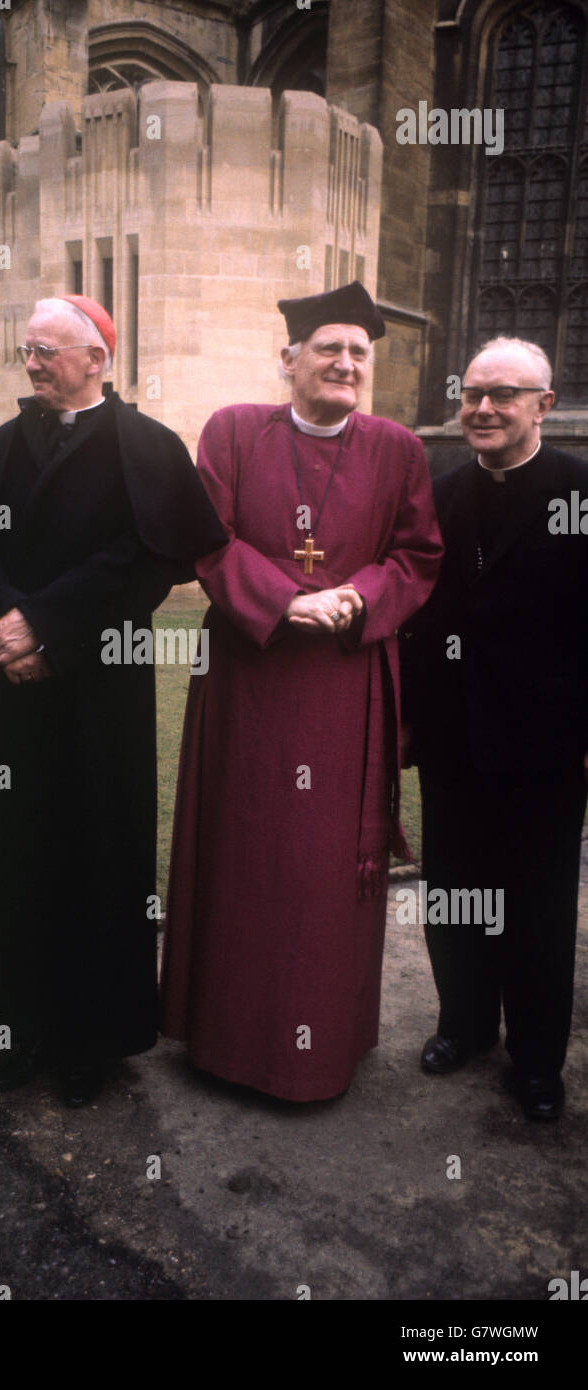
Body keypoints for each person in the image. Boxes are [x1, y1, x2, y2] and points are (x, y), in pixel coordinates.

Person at [0, 295, 225, 1107]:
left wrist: (47, 626)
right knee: (16, 851)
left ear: (97, 358)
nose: (32, 364)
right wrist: (6, 635)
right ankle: (21, 1030)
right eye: (27, 350)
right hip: (12, 693)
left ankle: (92, 1039)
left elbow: (152, 560)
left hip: (101, 688)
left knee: (97, 854)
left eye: (48, 351)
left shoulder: (148, 448)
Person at [160, 282, 443, 1102]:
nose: (347, 363)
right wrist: (287, 598)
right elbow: (203, 539)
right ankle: (227, 1045)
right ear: (289, 360)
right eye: (329, 348)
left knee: (324, 870)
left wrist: (356, 597)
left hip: (344, 681)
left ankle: (317, 1053)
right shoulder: (234, 431)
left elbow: (419, 556)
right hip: (251, 679)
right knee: (245, 852)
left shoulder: (400, 450)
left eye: (359, 352)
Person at [400, 337, 588, 1122]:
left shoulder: (581, 493)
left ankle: (537, 1060)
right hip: (452, 739)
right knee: (454, 896)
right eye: (472, 393)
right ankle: (465, 1026)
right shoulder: (438, 495)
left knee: (539, 907)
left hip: (547, 746)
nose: (481, 408)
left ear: (543, 405)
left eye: (503, 395)